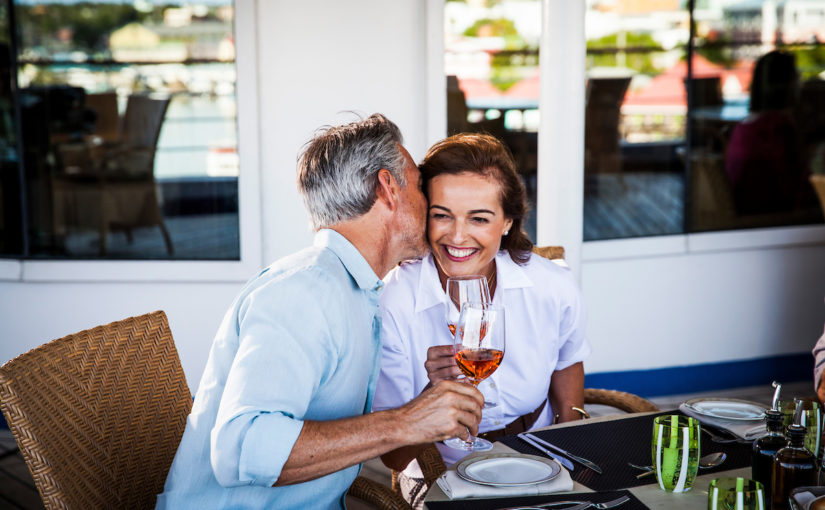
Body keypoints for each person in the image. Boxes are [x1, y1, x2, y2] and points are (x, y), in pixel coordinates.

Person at [156, 114, 483, 510]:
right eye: (419, 185)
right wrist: (405, 421)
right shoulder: (304, 291)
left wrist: (427, 407)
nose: (430, 204)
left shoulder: (353, 289)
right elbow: (240, 448)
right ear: (388, 189)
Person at [372, 133, 590, 506]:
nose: (457, 236)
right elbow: (394, 457)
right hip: (440, 466)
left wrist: (568, 451)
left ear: (507, 222)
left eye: (479, 218)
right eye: (442, 215)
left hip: (538, 454)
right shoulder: (392, 300)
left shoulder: (552, 286)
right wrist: (432, 396)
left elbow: (566, 363)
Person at [725, 50, 811, 215]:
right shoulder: (777, 127)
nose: (800, 81)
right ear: (787, 84)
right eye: (796, 76)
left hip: (746, 209)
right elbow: (794, 187)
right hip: (771, 216)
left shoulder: (745, 125)